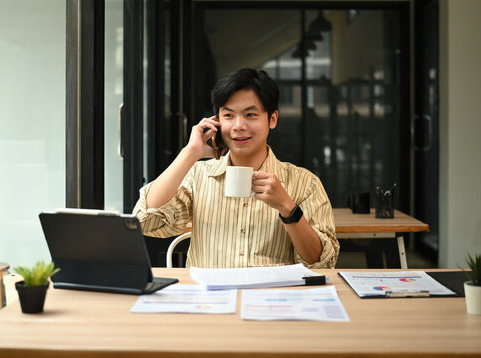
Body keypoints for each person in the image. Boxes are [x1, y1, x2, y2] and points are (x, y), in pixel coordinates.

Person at [133, 68, 338, 268]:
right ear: (217, 121)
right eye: (229, 116)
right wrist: (190, 153)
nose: (239, 126)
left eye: (250, 115)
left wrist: (287, 208)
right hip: (209, 300)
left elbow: (321, 262)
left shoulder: (305, 183)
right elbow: (145, 221)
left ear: (272, 119)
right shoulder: (198, 176)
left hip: (273, 298)